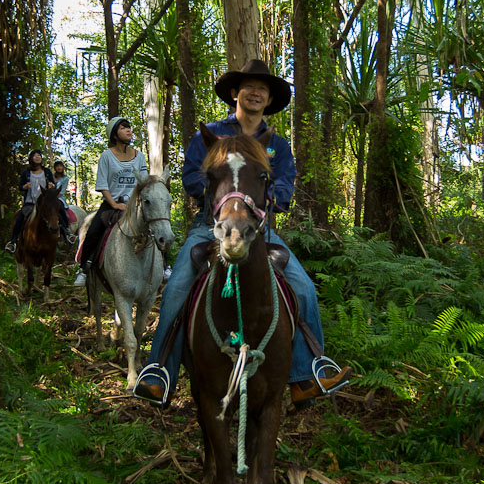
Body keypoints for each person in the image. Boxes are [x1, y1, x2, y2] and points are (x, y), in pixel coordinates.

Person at [133, 59, 351, 408]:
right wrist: (224, 190)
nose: (256, 92)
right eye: (249, 86)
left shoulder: (276, 146)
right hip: (210, 227)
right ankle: (160, 371)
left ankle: (307, 373)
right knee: (176, 288)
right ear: (235, 93)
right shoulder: (211, 136)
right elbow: (191, 178)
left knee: (304, 288)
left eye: (262, 89)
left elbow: (284, 187)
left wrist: (263, 198)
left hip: (260, 232)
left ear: (268, 100)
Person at [74, 116, 148, 286]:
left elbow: (144, 181)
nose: (129, 130)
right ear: (114, 134)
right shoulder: (106, 156)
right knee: (93, 230)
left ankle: (164, 265)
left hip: (134, 205)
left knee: (157, 226)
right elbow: (102, 184)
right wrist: (114, 204)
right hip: (112, 203)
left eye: (129, 127)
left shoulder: (139, 156)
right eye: (123, 128)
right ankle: (84, 268)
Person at [4, 149, 55, 254]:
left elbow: (53, 185)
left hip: (44, 204)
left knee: (59, 212)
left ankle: (67, 233)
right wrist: (25, 186)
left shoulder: (47, 172)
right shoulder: (26, 173)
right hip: (30, 203)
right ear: (31, 158)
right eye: (35, 155)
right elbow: (20, 187)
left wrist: (52, 186)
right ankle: (13, 241)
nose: (37, 157)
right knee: (20, 217)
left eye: (39, 155)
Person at [52, 159, 72, 241]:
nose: (59, 168)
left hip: (59, 198)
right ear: (55, 168)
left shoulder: (65, 179)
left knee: (60, 208)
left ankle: (66, 230)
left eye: (61, 166)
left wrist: (54, 197)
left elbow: (62, 191)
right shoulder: (51, 177)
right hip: (49, 198)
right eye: (57, 166)